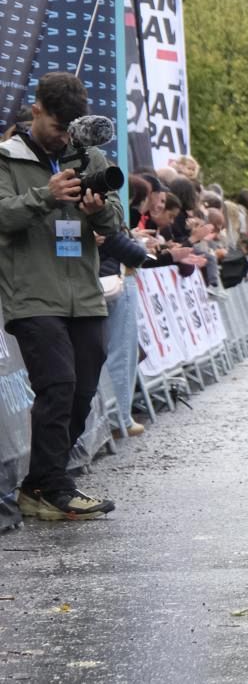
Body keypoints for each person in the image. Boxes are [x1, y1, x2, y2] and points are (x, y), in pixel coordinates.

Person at [0, 73, 124, 520]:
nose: (62, 138)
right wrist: (45, 196)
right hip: (32, 293)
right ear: (36, 111)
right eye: (56, 127)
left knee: (82, 391)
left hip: (85, 294)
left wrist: (99, 211)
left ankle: (37, 485)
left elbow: (115, 223)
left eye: (70, 129)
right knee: (58, 385)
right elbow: (3, 215)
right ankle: (57, 486)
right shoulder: (6, 158)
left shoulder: (87, 154)